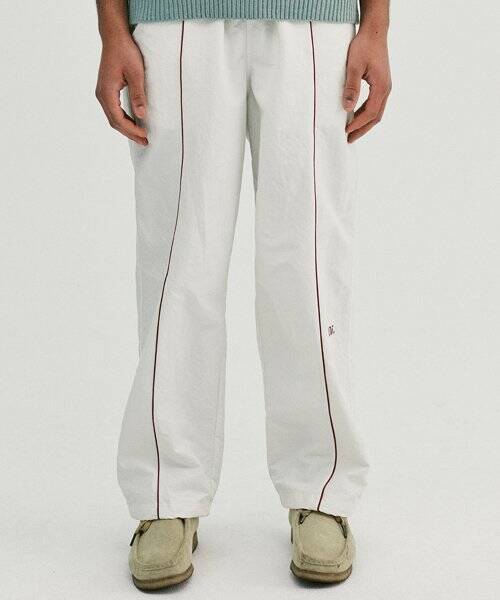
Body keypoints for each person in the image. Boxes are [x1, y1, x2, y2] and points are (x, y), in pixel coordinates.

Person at [95, 0, 391, 590]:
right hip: (174, 20)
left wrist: (377, 26)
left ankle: (321, 491)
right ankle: (167, 494)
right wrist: (111, 30)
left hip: (314, 21)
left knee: (308, 268)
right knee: (178, 266)